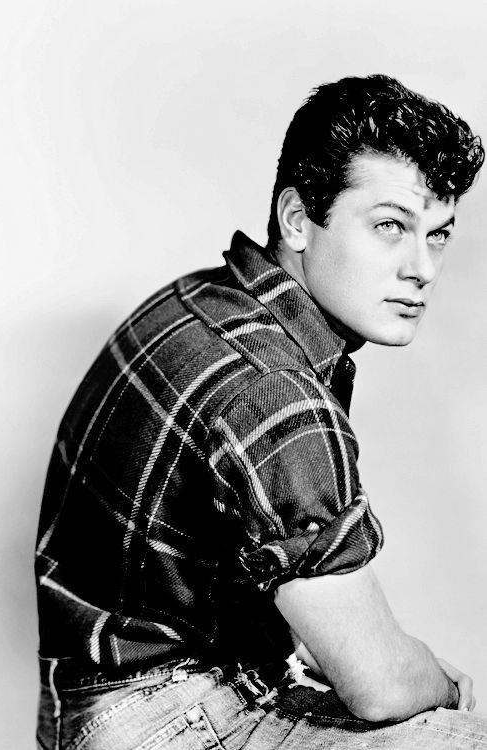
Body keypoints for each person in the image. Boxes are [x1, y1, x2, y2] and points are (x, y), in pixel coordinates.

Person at [35, 74, 486, 749]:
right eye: (391, 227)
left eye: (439, 235)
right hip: (163, 720)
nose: (422, 267)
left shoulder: (201, 302)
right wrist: (445, 693)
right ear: (299, 220)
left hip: (86, 702)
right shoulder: (276, 394)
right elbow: (380, 686)